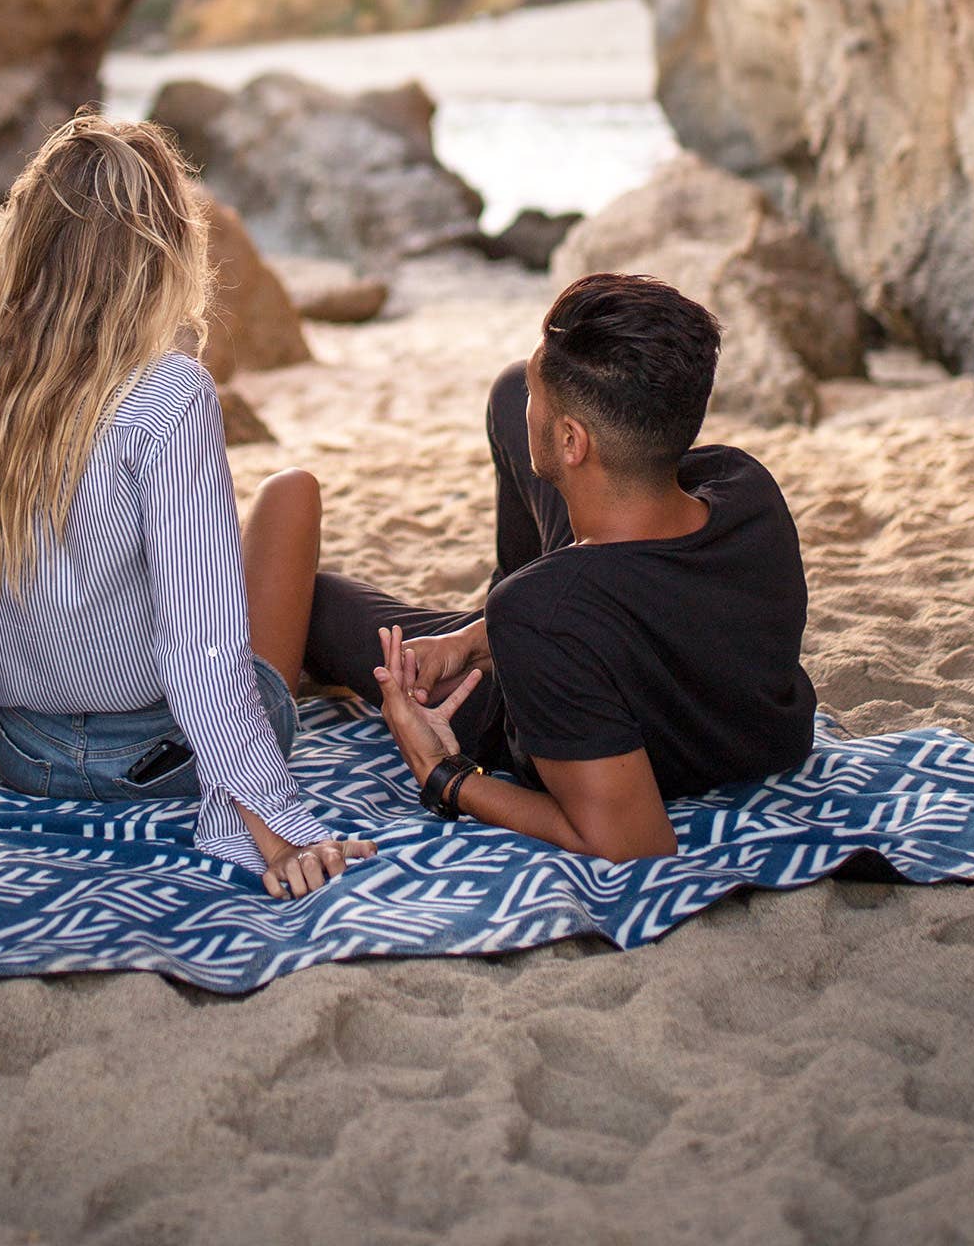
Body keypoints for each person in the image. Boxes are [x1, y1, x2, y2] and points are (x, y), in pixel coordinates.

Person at [0, 115, 375, 901]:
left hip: (24, 754)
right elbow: (201, 644)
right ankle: (315, 675)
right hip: (171, 758)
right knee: (290, 494)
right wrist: (270, 821)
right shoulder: (169, 396)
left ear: (20, 241)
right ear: (160, 255)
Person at [304, 272, 818, 861]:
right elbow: (597, 592)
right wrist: (475, 640)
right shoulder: (742, 484)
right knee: (503, 394)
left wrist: (441, 772)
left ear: (571, 442)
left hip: (604, 720)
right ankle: (509, 594)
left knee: (318, 601)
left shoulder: (543, 618)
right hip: (743, 721)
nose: (531, 403)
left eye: (537, 393)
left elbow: (631, 843)